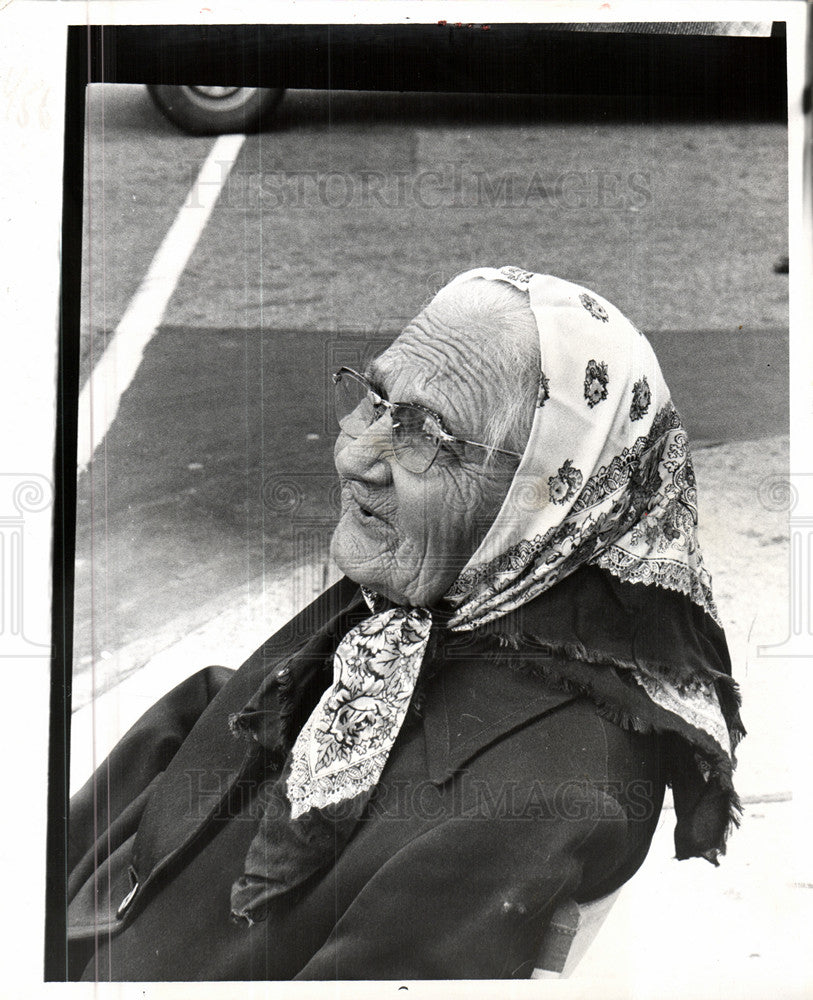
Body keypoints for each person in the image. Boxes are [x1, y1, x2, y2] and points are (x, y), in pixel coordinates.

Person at [66, 267, 744, 981]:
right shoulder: (429, 594)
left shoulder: (539, 798)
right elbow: (224, 728)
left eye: (425, 433)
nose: (355, 455)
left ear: (548, 491)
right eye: (373, 400)